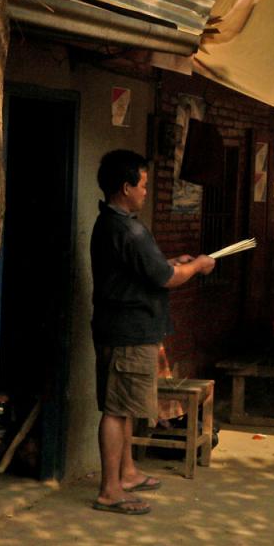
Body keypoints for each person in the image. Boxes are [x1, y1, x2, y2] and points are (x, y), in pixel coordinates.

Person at [90, 149, 215, 515]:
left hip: (129, 329)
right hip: (126, 332)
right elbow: (165, 277)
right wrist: (197, 267)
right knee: (116, 410)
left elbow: (151, 269)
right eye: (143, 185)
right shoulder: (126, 228)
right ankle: (109, 490)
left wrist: (173, 262)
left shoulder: (117, 223)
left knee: (125, 406)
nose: (147, 191)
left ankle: (126, 473)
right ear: (126, 187)